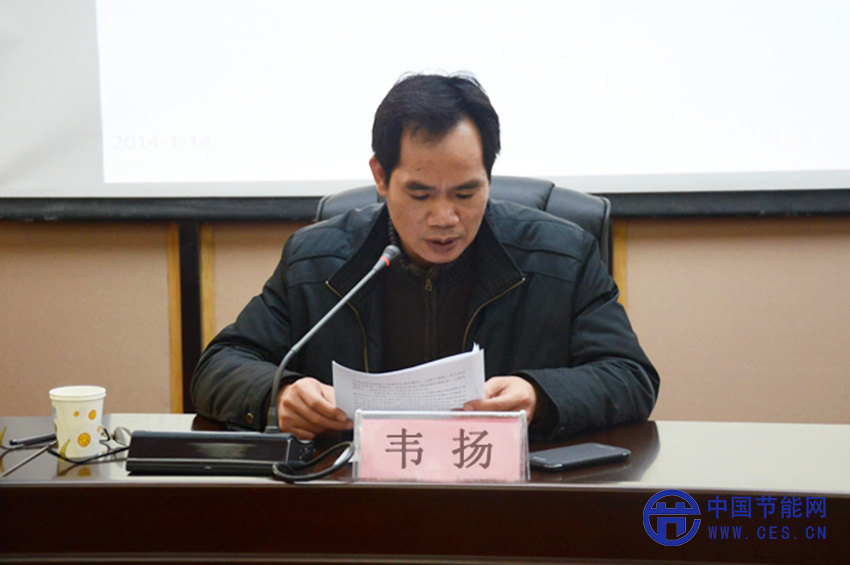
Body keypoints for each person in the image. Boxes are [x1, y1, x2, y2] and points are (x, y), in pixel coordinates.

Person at [191, 73, 659, 442]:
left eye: (466, 193)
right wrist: (280, 394)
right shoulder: (316, 259)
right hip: (356, 498)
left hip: (511, 498)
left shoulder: (562, 256)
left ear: (489, 176)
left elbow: (630, 375)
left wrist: (540, 396)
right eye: (420, 194)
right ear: (380, 176)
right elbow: (219, 365)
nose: (444, 218)